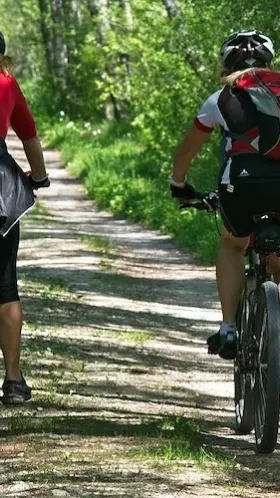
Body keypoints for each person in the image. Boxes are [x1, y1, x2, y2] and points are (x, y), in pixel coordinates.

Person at [169, 29, 280, 360]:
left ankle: (229, 329)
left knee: (233, 243)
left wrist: (179, 186)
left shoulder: (220, 99)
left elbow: (186, 153)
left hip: (240, 188)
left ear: (226, 63)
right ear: (268, 61)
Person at [0, 31, 50, 404]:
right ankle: (14, 381)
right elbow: (28, 135)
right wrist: (40, 176)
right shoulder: (6, 82)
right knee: (5, 285)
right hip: (1, 190)